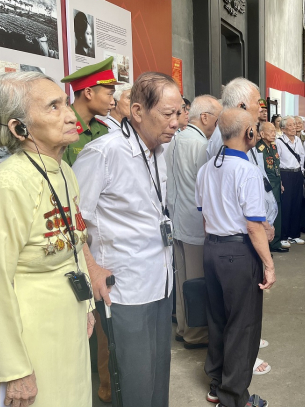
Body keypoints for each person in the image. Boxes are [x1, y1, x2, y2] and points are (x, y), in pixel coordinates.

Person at [0, 72, 95, 406]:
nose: (70, 114)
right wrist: (14, 370)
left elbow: (74, 244)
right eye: (53, 107)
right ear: (19, 128)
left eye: (65, 102)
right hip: (29, 338)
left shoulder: (65, 173)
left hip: (67, 326)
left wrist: (86, 305)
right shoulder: (7, 186)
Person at [73, 72, 182, 406]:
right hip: (126, 288)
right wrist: (92, 269)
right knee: (133, 381)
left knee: (158, 374)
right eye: (167, 114)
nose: (175, 123)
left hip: (161, 281)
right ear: (137, 111)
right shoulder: (103, 153)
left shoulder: (158, 150)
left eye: (178, 113)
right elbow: (75, 219)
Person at [196, 109, 275, 407]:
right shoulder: (247, 171)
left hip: (212, 249)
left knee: (218, 319)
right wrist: (269, 264)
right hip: (239, 253)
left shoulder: (207, 169)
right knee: (243, 325)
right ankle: (234, 398)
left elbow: (204, 218)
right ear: (249, 134)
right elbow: (254, 225)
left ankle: (217, 385)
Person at [61, 56, 120, 403]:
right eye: (108, 89)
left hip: (96, 241)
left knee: (98, 323)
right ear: (87, 91)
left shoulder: (101, 131)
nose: (113, 96)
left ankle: (100, 387)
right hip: (67, 240)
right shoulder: (64, 130)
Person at [168, 95, 222, 349]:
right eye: (218, 118)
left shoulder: (176, 139)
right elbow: (209, 188)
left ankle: (182, 327)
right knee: (197, 281)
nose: (219, 125)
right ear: (205, 117)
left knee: (182, 280)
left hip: (177, 219)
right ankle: (196, 334)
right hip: (195, 223)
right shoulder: (202, 146)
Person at [62, 57, 118, 166]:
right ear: (88, 93)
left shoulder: (102, 129)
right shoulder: (62, 127)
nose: (113, 102)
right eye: (109, 94)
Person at [257, 121, 288, 253]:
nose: (273, 134)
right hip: (266, 186)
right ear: (262, 133)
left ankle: (275, 243)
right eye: (270, 131)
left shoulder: (274, 147)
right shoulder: (258, 149)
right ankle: (265, 245)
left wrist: (280, 183)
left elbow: (276, 166)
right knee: (267, 214)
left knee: (277, 213)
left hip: (276, 184)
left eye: (274, 131)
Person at [277, 115, 305, 247]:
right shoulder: (278, 142)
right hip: (285, 175)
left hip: (297, 174)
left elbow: (302, 157)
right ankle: (283, 236)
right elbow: (277, 162)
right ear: (283, 129)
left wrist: (300, 172)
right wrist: (280, 181)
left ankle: (294, 235)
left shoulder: (298, 141)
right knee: (286, 206)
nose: (293, 127)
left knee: (297, 205)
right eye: (290, 125)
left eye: (294, 125)